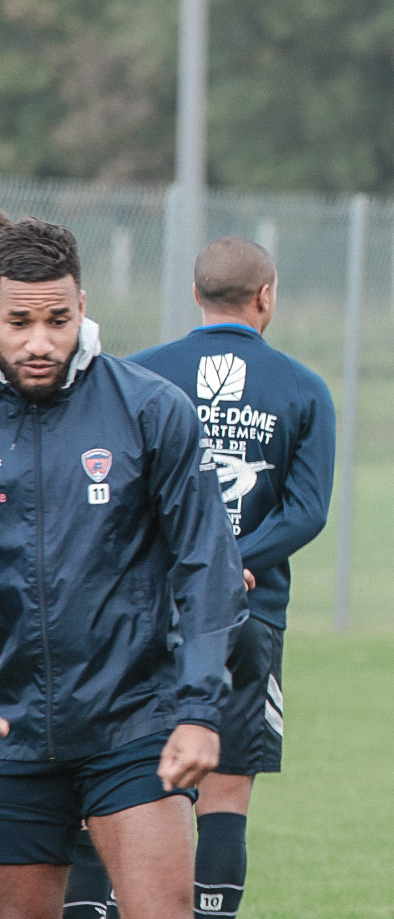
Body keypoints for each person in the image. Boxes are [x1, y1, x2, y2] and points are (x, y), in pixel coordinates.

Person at [62, 236, 336, 919]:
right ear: (265, 296)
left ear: (196, 294)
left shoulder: (138, 374)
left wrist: (194, 561)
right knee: (226, 795)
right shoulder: (305, 389)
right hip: (249, 619)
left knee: (111, 779)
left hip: (142, 615)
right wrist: (234, 563)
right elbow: (308, 512)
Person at [0, 217, 247, 919]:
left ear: (82, 306)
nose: (40, 341)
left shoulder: (150, 410)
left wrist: (198, 711)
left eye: (57, 318)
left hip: (132, 723)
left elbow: (207, 565)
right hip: (12, 736)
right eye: (18, 322)